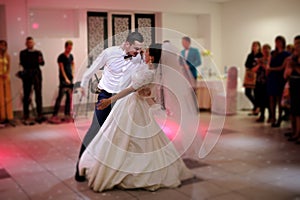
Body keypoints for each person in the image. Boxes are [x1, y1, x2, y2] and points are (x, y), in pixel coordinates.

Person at [78, 43, 194, 192]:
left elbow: (131, 90)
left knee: (127, 138)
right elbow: (143, 93)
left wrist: (109, 100)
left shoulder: (149, 73)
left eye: (146, 52)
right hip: (131, 105)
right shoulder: (146, 69)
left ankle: (128, 170)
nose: (143, 53)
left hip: (132, 107)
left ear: (151, 57)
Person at [75, 32, 144, 182]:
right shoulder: (109, 53)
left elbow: (143, 75)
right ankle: (79, 167)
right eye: (136, 48)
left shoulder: (139, 58)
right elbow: (90, 71)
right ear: (127, 44)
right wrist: (83, 87)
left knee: (122, 135)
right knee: (95, 129)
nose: (137, 52)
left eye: (140, 49)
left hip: (123, 100)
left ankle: (118, 171)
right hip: (105, 97)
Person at [19, 36, 45, 125]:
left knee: (38, 95)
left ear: (34, 43)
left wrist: (40, 60)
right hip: (27, 75)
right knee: (26, 95)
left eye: (31, 42)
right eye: (28, 42)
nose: (30, 44)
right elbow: (23, 63)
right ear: (26, 44)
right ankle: (26, 114)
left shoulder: (38, 52)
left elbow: (42, 63)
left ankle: (39, 114)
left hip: (37, 75)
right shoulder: (23, 53)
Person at [267, 36, 290, 127]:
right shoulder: (273, 53)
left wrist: (271, 69)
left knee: (279, 98)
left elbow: (282, 67)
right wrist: (269, 69)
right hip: (272, 78)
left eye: (279, 42)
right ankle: (273, 117)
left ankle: (279, 118)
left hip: (279, 78)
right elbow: (269, 63)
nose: (277, 44)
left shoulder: (286, 54)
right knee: (271, 98)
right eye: (276, 42)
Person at [49, 41, 75, 124]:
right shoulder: (61, 57)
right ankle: (54, 114)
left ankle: (67, 114)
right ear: (65, 47)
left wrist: (73, 74)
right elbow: (61, 68)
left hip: (70, 79)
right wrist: (65, 78)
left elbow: (73, 64)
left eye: (71, 48)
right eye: (69, 48)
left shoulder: (71, 56)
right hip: (63, 80)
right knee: (60, 97)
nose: (70, 49)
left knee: (68, 97)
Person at [284, 35, 300, 144]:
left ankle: (298, 133)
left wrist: (295, 67)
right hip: (293, 83)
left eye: (298, 43)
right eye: (295, 43)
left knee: (298, 111)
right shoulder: (293, 57)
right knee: (294, 110)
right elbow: (286, 74)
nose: (297, 46)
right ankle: (295, 132)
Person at [252, 44, 271, 122]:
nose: (265, 51)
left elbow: (268, 69)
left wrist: (263, 64)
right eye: (264, 49)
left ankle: (271, 116)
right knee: (260, 99)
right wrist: (259, 64)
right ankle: (262, 115)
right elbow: (253, 70)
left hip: (268, 82)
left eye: (267, 49)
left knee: (268, 100)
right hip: (259, 82)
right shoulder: (259, 59)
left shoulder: (271, 59)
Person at [244, 41, 263, 115]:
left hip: (257, 76)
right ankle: (256, 105)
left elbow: (260, 65)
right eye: (253, 46)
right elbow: (246, 64)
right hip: (249, 75)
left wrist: (255, 67)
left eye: (256, 46)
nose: (254, 47)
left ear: (259, 47)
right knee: (247, 92)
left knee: (256, 93)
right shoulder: (250, 55)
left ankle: (257, 107)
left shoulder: (260, 55)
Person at [0, 40, 14, 123]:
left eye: (4, 45)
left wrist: (6, 74)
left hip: (6, 77)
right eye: (1, 45)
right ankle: (1, 116)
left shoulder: (7, 56)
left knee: (7, 97)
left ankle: (8, 116)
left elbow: (8, 67)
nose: (2, 46)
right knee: (0, 97)